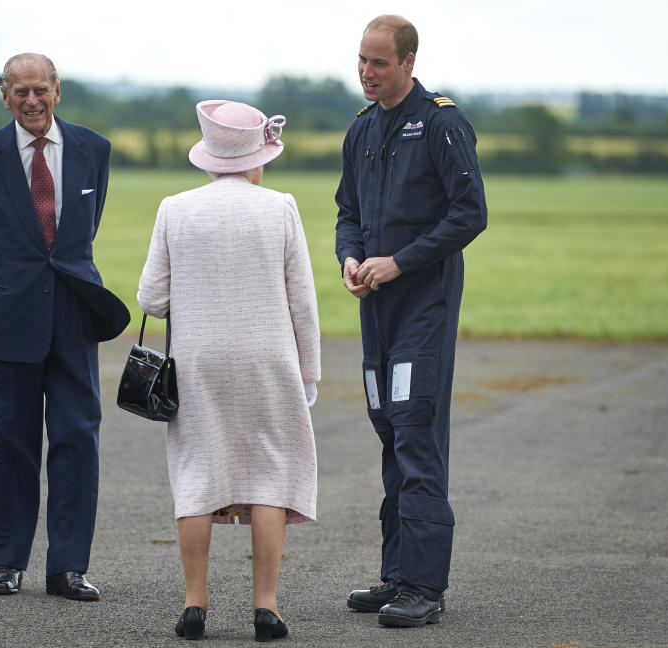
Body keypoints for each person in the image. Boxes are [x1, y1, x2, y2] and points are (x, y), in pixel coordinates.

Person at [0, 53, 130, 601]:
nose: (31, 101)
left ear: (57, 91)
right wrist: (4, 290)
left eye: (40, 90)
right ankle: (7, 563)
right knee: (10, 443)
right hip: (8, 321)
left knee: (77, 440)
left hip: (74, 315)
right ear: (5, 96)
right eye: (20, 91)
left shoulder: (94, 150)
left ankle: (68, 568)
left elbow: (82, 232)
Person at [137, 100, 321, 642]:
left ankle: (195, 604)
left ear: (209, 158)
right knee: (270, 474)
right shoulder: (281, 207)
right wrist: (309, 370)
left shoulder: (174, 207)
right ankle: (266, 606)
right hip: (270, 360)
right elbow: (303, 301)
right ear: (257, 158)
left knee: (197, 473)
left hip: (198, 361)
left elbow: (151, 297)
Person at [334, 15, 488, 628]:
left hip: (424, 305)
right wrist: (350, 256)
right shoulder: (361, 129)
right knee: (389, 429)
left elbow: (470, 214)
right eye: (362, 61)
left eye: (379, 62)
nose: (367, 73)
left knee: (415, 428)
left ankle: (424, 588)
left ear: (409, 61)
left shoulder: (443, 122)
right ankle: (396, 575)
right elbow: (347, 209)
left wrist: (400, 262)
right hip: (376, 309)